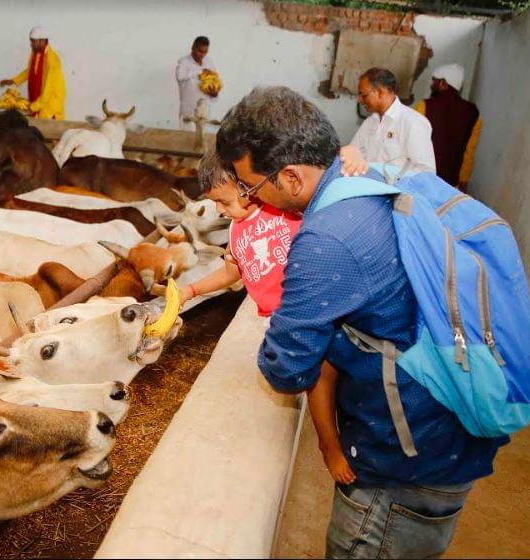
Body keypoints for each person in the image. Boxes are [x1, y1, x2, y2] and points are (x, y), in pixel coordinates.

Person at [216, 86, 506, 559]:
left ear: (290, 177)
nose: (254, 201)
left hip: (406, 462)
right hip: (451, 427)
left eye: (252, 188)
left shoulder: (327, 238)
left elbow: (286, 369)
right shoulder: (370, 177)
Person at [182, 146, 368, 486]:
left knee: (339, 372)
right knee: (317, 378)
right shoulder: (236, 233)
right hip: (280, 321)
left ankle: (342, 434)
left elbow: (325, 176)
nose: (221, 212)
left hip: (313, 306)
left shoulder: (284, 210)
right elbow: (230, 275)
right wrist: (189, 291)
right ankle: (330, 446)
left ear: (246, 186)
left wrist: (350, 154)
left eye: (223, 201)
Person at [352, 67, 436, 173]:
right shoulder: (370, 122)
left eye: (364, 95)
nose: (360, 100)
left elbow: (426, 172)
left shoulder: (413, 122)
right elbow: (353, 153)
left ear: (381, 92)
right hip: (367, 186)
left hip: (397, 189)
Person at [414, 64, 482, 192]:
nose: (431, 84)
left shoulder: (424, 106)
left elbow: (412, 142)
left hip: (423, 179)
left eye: (434, 80)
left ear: (443, 83)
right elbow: (469, 151)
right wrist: (464, 180)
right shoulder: (474, 113)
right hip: (450, 184)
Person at [0, 27, 66, 120]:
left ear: (42, 41)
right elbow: (30, 71)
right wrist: (13, 80)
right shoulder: (35, 54)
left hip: (50, 104)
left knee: (45, 129)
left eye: (33, 42)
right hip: (39, 100)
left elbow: (48, 90)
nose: (31, 45)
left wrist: (34, 106)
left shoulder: (53, 60)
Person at [175, 36, 217, 131]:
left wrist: (214, 93)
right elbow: (180, 76)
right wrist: (199, 72)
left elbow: (215, 81)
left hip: (205, 114)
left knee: (203, 144)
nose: (202, 55)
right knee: (186, 144)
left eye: (205, 52)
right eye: (200, 51)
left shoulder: (209, 62)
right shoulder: (184, 62)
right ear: (193, 48)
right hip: (189, 114)